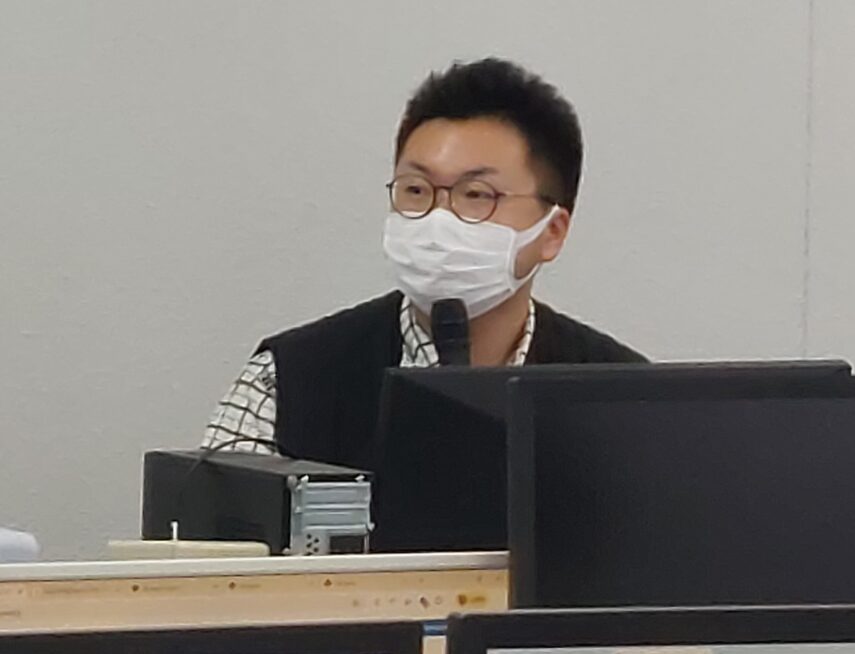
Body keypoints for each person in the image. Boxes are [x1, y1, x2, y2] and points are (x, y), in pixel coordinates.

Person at [202, 58, 646, 468]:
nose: (438, 219)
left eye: (476, 195)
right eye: (416, 190)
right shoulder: (286, 381)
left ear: (552, 232)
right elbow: (223, 526)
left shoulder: (629, 401)